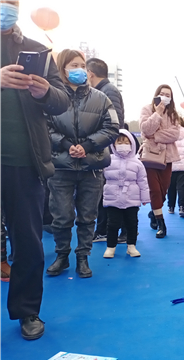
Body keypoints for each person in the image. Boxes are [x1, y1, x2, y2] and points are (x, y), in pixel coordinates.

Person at [1, 1, 71, 340]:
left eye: (11, 2)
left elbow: (63, 100)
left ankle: (27, 310)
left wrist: (45, 92)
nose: (6, 7)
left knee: (28, 242)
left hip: (25, 160)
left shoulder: (37, 50)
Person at [46, 49, 119, 279]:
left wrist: (87, 146)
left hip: (92, 166)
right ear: (62, 69)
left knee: (88, 217)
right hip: (60, 166)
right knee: (61, 216)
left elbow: (112, 127)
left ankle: (83, 257)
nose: (80, 70)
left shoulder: (102, 98)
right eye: (73, 65)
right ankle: (62, 255)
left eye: (82, 65)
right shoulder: (51, 99)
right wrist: (66, 144)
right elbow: (43, 127)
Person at [87, 57, 126, 243]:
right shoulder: (103, 91)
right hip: (104, 148)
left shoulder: (108, 92)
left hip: (107, 149)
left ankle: (113, 230)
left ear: (90, 74)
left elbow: (114, 123)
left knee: (112, 192)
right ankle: (105, 229)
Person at [139, 84, 180, 238]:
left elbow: (175, 134)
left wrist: (155, 136)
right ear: (157, 95)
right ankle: (161, 223)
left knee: (163, 190)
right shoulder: (147, 109)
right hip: (151, 155)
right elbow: (146, 129)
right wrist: (157, 114)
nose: (165, 97)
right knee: (155, 190)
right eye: (162, 94)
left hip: (167, 157)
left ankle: (154, 211)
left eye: (168, 95)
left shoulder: (173, 114)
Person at [103, 130, 150, 258]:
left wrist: (145, 198)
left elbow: (143, 181)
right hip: (112, 197)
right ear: (114, 144)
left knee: (132, 223)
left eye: (126, 142)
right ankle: (110, 247)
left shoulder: (137, 163)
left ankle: (131, 246)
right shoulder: (108, 160)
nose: (123, 145)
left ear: (131, 144)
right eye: (119, 142)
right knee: (112, 224)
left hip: (132, 198)